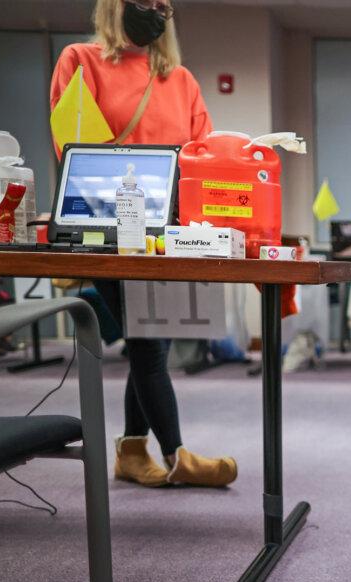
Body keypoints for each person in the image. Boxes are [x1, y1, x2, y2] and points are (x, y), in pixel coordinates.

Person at [50, 0, 237, 488]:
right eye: (145, 3)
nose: (155, 12)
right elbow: (73, 150)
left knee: (151, 339)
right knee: (149, 345)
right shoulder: (79, 60)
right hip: (109, 234)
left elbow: (201, 155)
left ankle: (132, 450)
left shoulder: (182, 79)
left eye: (163, 6)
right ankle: (177, 455)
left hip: (168, 236)